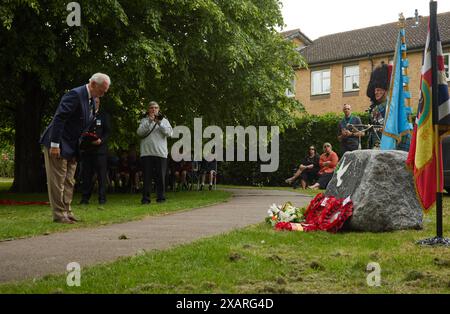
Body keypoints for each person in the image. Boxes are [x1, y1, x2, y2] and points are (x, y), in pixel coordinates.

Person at [40, 73, 111, 223]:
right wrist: (54, 145)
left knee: (69, 181)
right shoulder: (75, 94)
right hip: (58, 143)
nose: (103, 94)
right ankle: (59, 215)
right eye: (102, 90)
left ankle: (67, 211)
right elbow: (60, 118)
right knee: (57, 180)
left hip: (73, 147)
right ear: (92, 84)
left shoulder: (91, 101)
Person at [137, 101, 173, 204]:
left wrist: (159, 123)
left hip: (160, 154)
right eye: (152, 108)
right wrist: (149, 121)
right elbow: (139, 132)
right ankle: (145, 199)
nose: (154, 109)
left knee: (160, 178)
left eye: (156, 108)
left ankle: (161, 198)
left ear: (159, 109)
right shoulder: (144, 120)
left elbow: (169, 133)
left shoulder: (164, 121)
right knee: (146, 178)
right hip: (146, 153)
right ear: (148, 110)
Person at [79, 97, 111, 205]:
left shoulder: (104, 115)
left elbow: (107, 132)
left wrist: (101, 140)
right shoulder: (85, 115)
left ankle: (102, 199)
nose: (95, 103)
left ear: (99, 103)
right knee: (86, 175)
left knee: (101, 176)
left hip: (100, 151)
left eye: (97, 102)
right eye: (93, 102)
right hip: (87, 150)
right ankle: (85, 199)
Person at [366, 62, 391, 148]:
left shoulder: (378, 109)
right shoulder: (377, 108)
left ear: (386, 91)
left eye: (380, 90)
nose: (377, 92)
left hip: (384, 144)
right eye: (376, 90)